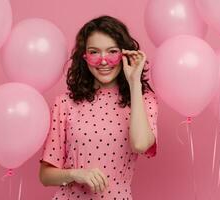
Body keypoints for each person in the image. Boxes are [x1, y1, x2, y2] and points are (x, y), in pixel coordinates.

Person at [39, 15, 159, 200]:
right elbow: (45, 176)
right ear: (84, 57)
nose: (103, 61)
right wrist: (76, 174)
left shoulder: (144, 101)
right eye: (94, 52)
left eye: (112, 52)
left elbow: (140, 144)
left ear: (124, 54)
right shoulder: (65, 103)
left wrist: (134, 82)